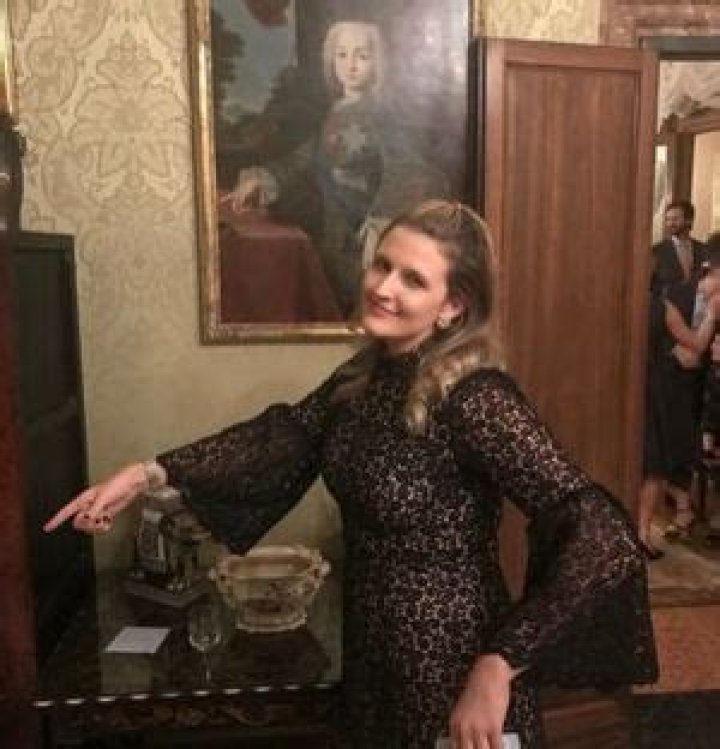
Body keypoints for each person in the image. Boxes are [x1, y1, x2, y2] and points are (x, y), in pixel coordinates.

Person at [45, 200, 657, 748]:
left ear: (453, 306)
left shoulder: (476, 397)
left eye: (413, 279)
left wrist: (500, 664)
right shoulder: (361, 380)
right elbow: (279, 439)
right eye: (382, 265)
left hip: (452, 668)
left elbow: (602, 533)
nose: (384, 287)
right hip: (373, 657)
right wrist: (143, 474)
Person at [224, 20, 448, 316]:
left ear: (377, 63)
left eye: (362, 56)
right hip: (334, 232)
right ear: (330, 61)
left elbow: (409, 169)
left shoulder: (382, 114)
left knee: (368, 310)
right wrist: (261, 180)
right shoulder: (336, 113)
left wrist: (382, 222)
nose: (351, 65)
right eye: (342, 55)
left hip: (365, 238)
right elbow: (304, 159)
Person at [638, 259, 720, 558]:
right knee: (655, 462)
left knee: (657, 458)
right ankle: (644, 531)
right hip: (658, 386)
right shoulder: (668, 301)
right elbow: (694, 344)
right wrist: (710, 316)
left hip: (693, 386)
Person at [650, 200, 708, 296]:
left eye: (675, 219)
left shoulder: (703, 249)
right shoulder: (657, 251)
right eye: (668, 219)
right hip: (668, 303)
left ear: (689, 220)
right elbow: (651, 286)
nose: (670, 223)